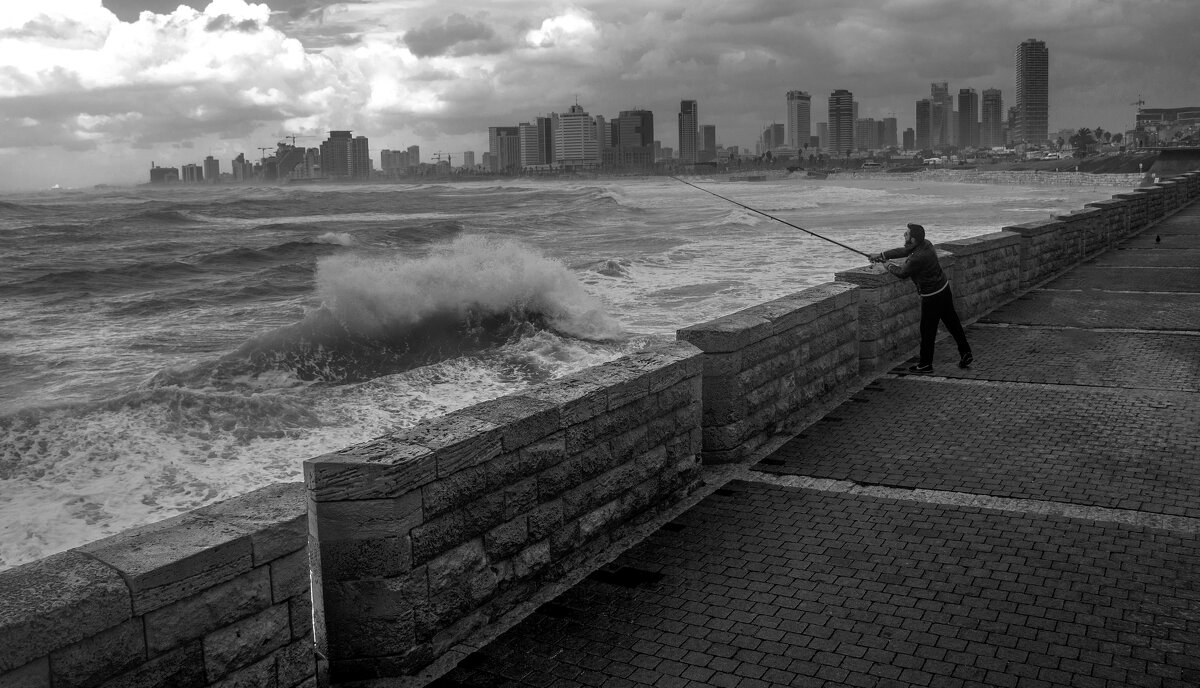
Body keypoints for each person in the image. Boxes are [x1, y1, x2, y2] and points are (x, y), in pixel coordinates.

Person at [870, 223, 972, 373]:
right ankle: (966, 352)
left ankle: (925, 364)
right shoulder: (926, 244)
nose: (904, 235)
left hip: (932, 296)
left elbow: (902, 273)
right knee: (952, 323)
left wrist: (887, 265)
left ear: (913, 240)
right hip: (944, 289)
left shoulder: (918, 257)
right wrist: (881, 255)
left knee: (927, 330)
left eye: (906, 234)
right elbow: (904, 251)